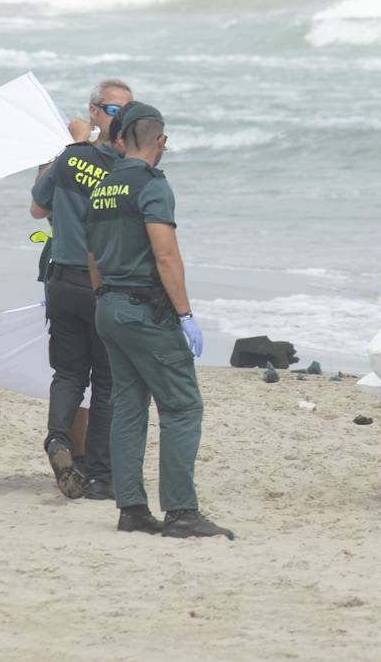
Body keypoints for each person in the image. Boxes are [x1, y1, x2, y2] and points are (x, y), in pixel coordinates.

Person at [86, 103, 232, 539]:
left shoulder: (103, 185)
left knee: (128, 408)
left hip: (109, 304)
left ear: (121, 140)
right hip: (145, 309)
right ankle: (181, 511)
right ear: (160, 141)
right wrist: (185, 313)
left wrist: (102, 296)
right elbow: (165, 254)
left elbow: (91, 253)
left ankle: (131, 508)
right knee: (182, 406)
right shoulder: (151, 186)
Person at [30, 78, 133, 501]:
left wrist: (68, 150)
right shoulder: (125, 166)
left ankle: (60, 441)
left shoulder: (70, 158)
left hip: (61, 280)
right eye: (112, 109)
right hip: (98, 284)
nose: (119, 117)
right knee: (106, 380)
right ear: (93, 112)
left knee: (69, 373)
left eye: (126, 110)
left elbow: (38, 206)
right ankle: (101, 474)